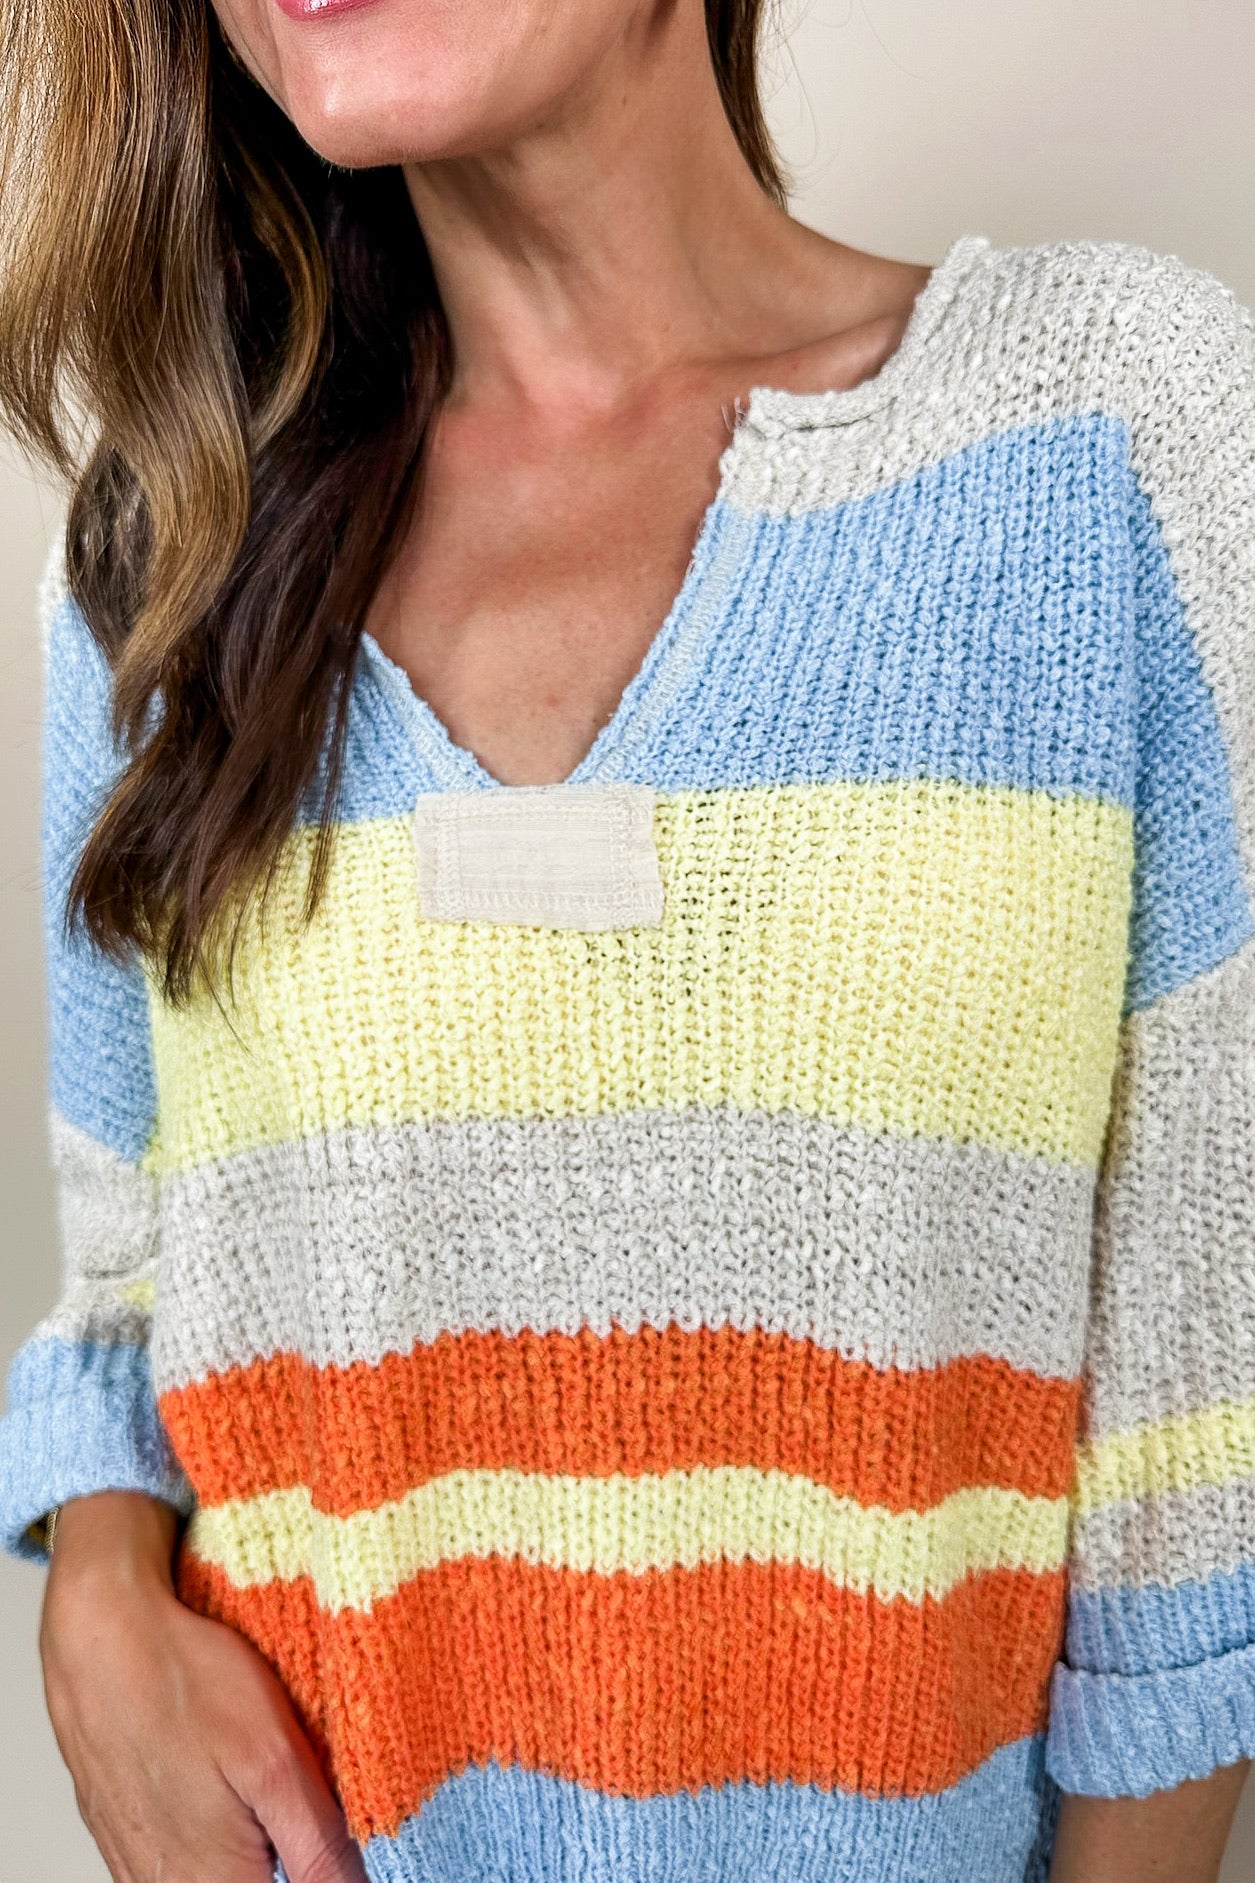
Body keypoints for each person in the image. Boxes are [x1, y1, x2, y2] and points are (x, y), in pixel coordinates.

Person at [0, 0, 1253, 1878]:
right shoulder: (164, 547)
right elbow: (124, 1275)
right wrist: (98, 1589)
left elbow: (1197, 1454)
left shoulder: (1115, 440)